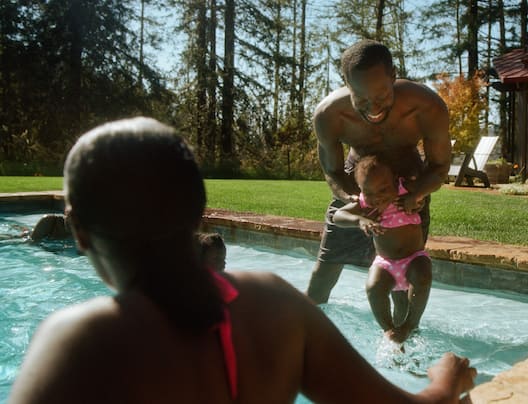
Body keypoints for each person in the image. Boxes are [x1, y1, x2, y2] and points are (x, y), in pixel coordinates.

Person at [9, 117, 475, 404]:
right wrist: (445, 382)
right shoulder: (276, 304)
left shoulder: (79, 341)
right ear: (197, 209)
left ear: (79, 231)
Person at [307, 39, 451, 305]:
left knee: (403, 281)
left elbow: (440, 166)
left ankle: (400, 339)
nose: (373, 109)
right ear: (346, 83)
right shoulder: (329, 114)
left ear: (393, 76)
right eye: (361, 98)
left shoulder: (427, 106)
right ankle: (306, 328)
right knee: (325, 269)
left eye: (382, 96)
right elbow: (332, 171)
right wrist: (352, 199)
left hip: (408, 189)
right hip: (358, 185)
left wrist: (417, 192)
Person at [332, 154, 431, 343]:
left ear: (395, 181)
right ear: (361, 191)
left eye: (383, 189)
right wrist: (359, 220)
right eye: (369, 192)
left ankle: (409, 325)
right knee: (373, 287)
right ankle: (389, 330)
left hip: (414, 258)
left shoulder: (404, 191)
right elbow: (338, 216)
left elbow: (424, 186)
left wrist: (418, 198)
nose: (377, 197)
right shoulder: (364, 205)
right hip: (386, 264)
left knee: (423, 276)